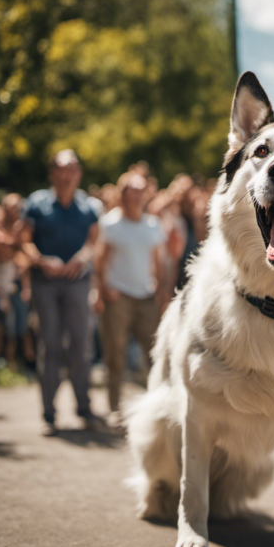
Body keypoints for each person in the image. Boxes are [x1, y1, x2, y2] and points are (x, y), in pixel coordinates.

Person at [21, 150, 102, 436]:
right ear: (53, 173)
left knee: (81, 345)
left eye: (73, 168)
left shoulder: (89, 206)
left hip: (78, 283)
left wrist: (83, 256)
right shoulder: (36, 204)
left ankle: (84, 408)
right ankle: (49, 413)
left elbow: (93, 241)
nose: (67, 174)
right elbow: (25, 242)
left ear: (78, 173)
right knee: (50, 345)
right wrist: (43, 260)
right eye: (62, 168)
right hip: (45, 283)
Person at [94, 172, 165, 427]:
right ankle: (114, 409)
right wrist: (102, 290)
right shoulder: (111, 223)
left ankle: (157, 407)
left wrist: (159, 289)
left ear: (147, 194)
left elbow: (157, 260)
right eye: (131, 190)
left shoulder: (153, 225)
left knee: (154, 354)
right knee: (116, 355)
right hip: (118, 297)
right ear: (123, 194)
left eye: (140, 190)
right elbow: (100, 259)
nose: (136, 195)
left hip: (146, 297)